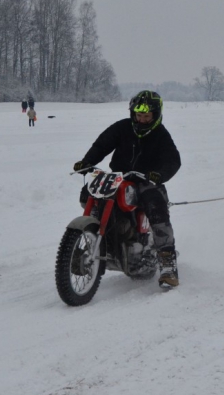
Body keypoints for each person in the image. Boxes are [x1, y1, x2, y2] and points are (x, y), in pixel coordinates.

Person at [73, 90, 182, 288]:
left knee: (155, 206)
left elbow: (173, 160)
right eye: (139, 115)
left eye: (146, 116)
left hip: (147, 180)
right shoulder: (122, 127)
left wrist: (160, 175)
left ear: (156, 115)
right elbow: (102, 145)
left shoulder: (161, 134)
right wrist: (87, 162)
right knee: (89, 193)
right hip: (119, 177)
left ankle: (168, 264)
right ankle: (93, 238)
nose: (142, 120)